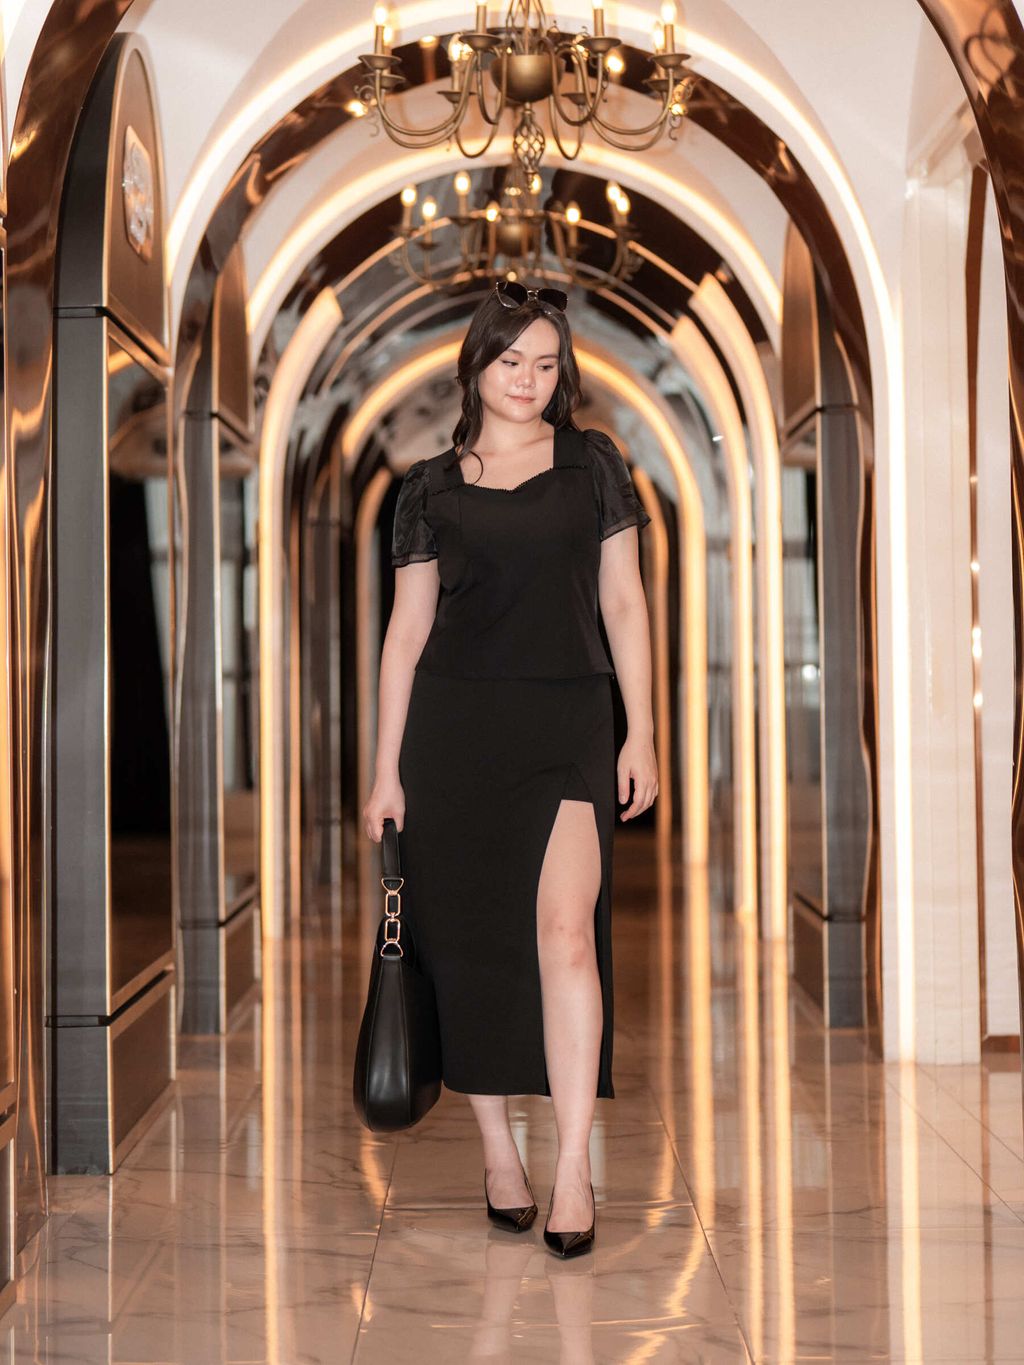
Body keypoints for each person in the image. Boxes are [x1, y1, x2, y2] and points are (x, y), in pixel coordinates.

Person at [363, 279, 657, 1258]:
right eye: (510, 361)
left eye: (545, 363)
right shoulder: (426, 490)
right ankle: (498, 1150)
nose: (529, 379)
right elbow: (404, 637)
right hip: (450, 732)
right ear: (477, 368)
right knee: (474, 949)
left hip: (566, 721)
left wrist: (641, 730)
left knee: (565, 936)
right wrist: (384, 771)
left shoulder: (595, 469)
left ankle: (573, 1164)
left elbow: (623, 606)